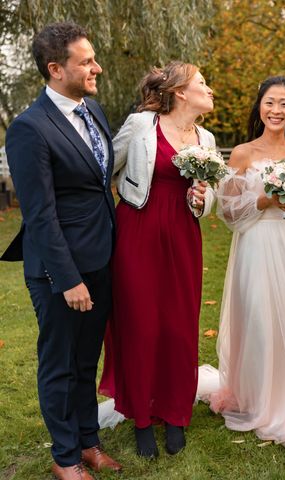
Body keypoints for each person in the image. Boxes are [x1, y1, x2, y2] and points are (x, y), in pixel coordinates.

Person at [0, 22, 121, 480]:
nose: (97, 68)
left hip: (101, 258)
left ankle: (89, 442)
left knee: (87, 359)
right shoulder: (30, 129)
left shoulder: (95, 111)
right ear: (55, 69)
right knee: (59, 363)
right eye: (86, 61)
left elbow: (95, 187)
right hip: (61, 269)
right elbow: (40, 213)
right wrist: (68, 278)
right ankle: (65, 458)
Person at [208, 76, 285, 446]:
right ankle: (260, 398)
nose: (276, 110)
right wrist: (263, 201)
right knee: (262, 320)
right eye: (269, 103)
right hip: (257, 243)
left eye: (283, 104)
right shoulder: (242, 153)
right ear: (259, 107)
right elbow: (230, 213)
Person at [98, 61, 215, 458]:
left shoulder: (207, 137)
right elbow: (104, 171)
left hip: (184, 236)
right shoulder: (140, 125)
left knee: (180, 325)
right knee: (141, 324)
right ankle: (143, 418)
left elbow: (210, 193)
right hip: (138, 231)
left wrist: (203, 199)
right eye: (203, 83)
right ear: (181, 91)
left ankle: (176, 413)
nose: (209, 89)